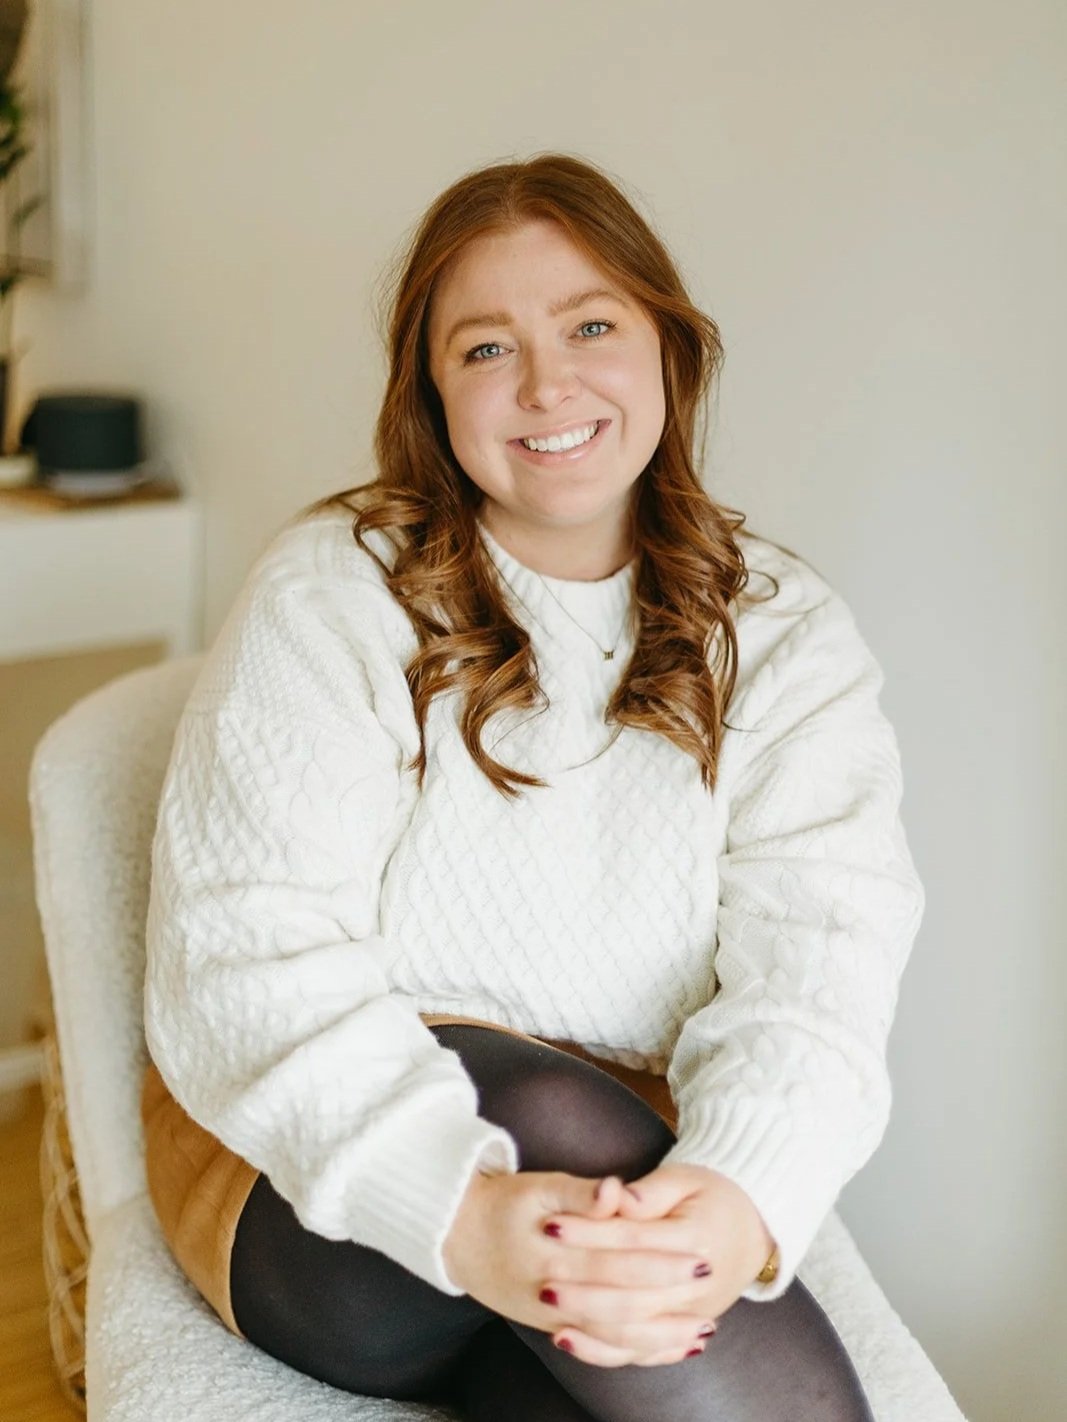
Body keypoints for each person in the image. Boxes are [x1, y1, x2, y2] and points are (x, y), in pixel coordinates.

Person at [141, 152, 925, 1421]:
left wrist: (729, 1201)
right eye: (485, 349)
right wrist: (465, 1214)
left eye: (591, 326)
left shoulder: (785, 632)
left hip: (622, 1176)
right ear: (431, 393)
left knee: (589, 1363)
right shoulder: (333, 591)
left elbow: (822, 965)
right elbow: (245, 953)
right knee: (553, 1112)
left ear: (668, 348)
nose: (547, 384)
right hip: (309, 1175)